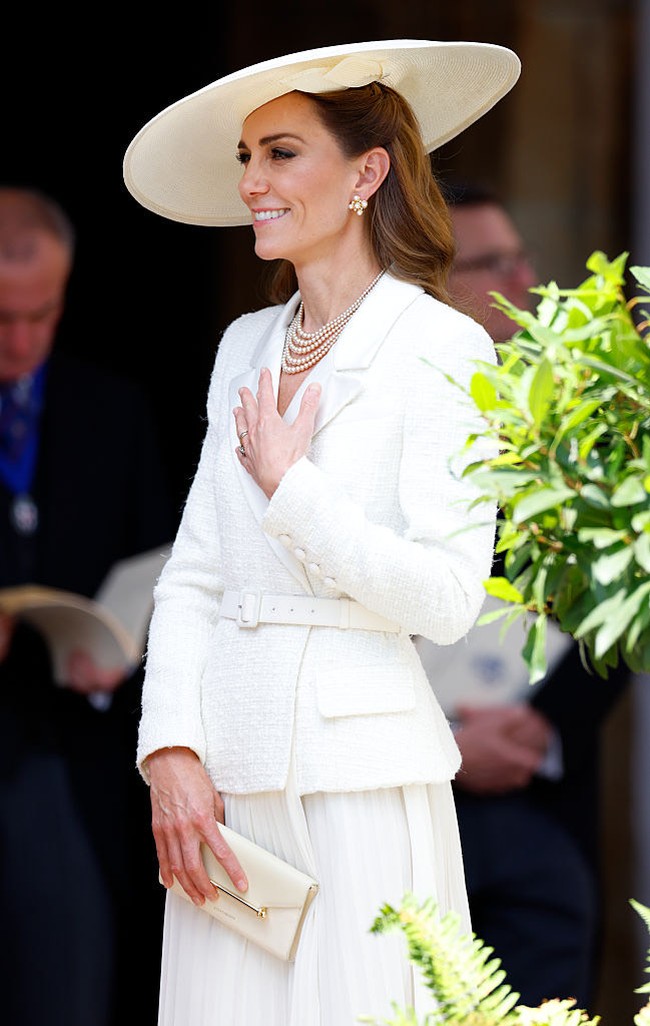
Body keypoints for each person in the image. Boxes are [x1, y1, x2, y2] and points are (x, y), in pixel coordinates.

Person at [122, 39, 521, 1026]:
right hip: (226, 794)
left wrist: (291, 490)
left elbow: (446, 599)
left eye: (281, 153)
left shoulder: (442, 346)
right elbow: (195, 578)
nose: (251, 183)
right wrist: (170, 750)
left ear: (365, 173)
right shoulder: (244, 346)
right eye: (246, 158)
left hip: (363, 789)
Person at [416, 178, 631, 1011]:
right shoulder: (376, 417)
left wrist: (541, 729)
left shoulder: (584, 418)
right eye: (490, 264)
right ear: (431, 287)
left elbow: (623, 596)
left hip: (542, 799)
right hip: (402, 807)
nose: (524, 281)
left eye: (521, 257)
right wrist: (440, 746)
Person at [0, 186, 175, 1026]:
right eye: (1, 319)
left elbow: (163, 569)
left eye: (42, 315)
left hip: (73, 761)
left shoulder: (113, 408)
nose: (22, 341)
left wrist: (120, 652)